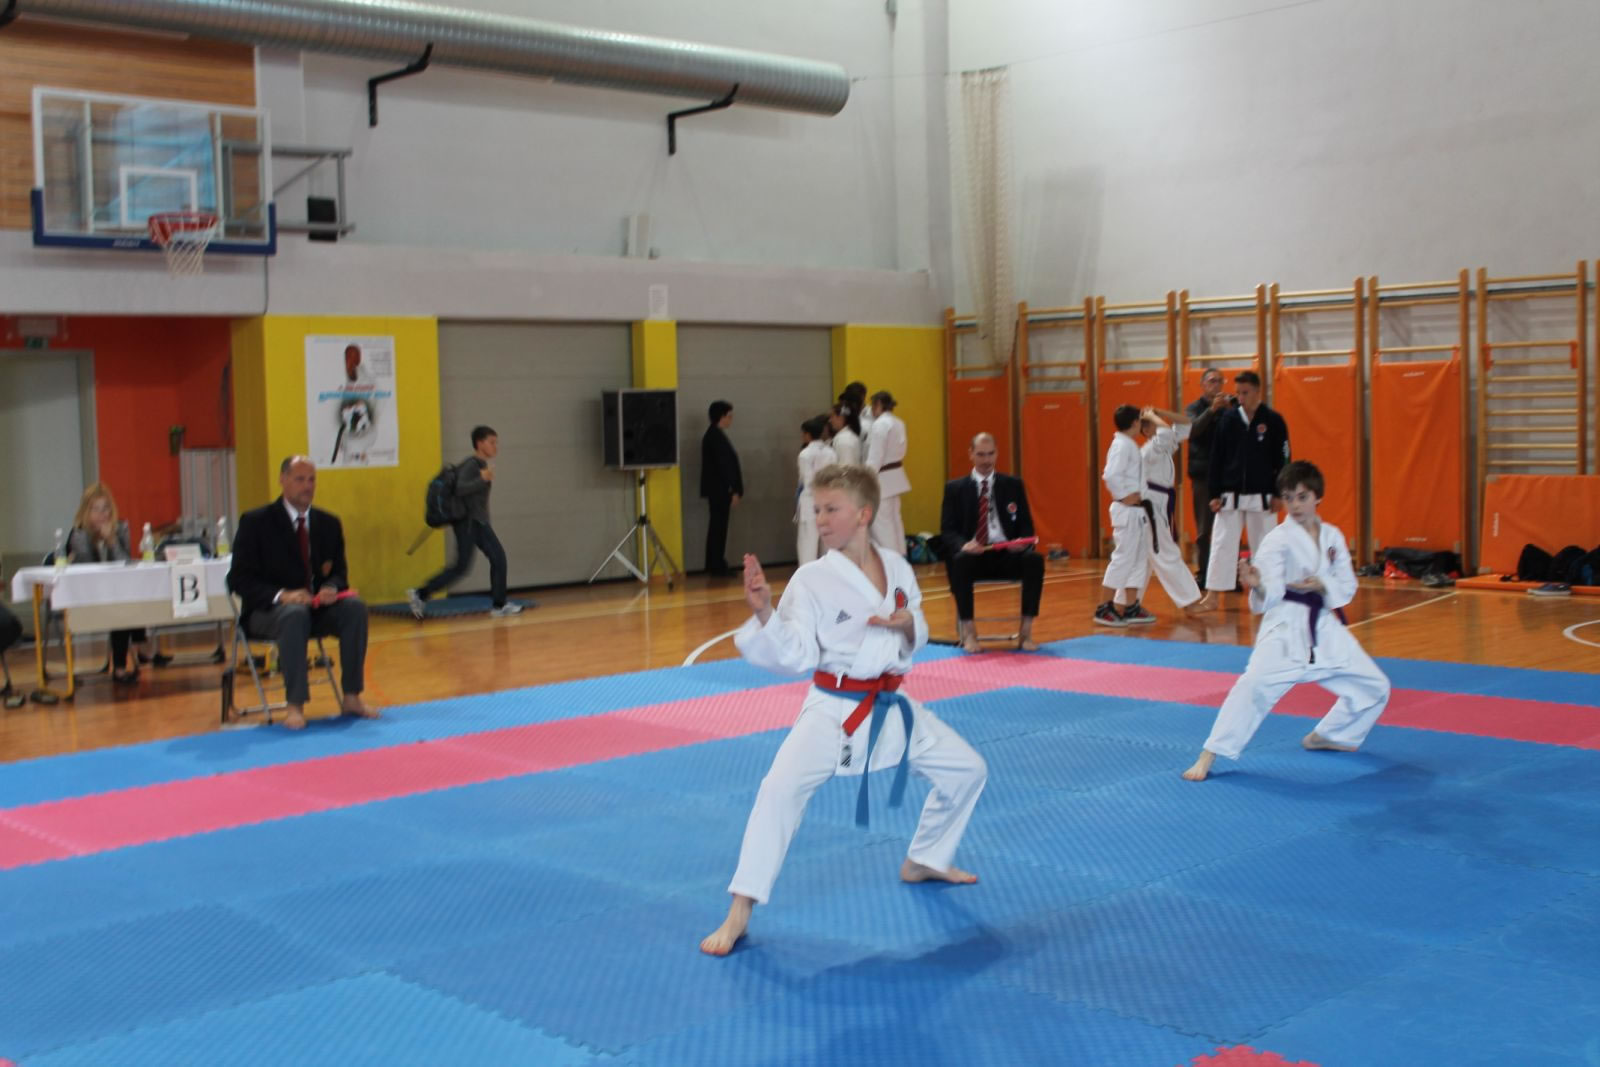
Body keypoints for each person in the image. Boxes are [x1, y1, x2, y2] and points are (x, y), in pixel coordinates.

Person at [699, 464, 988, 956]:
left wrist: (906, 625)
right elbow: (795, 652)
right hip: (833, 708)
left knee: (967, 770)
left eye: (831, 509)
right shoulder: (811, 579)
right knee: (778, 791)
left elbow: (916, 622)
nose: (820, 519)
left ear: (863, 514)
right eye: (816, 510)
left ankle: (925, 858)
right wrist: (764, 610)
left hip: (890, 705)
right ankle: (739, 909)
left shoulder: (898, 566)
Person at [1183, 461, 1390, 781]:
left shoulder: (1332, 536)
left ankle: (1331, 735)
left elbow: (1347, 586)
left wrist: (1322, 584)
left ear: (1318, 497)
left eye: (1302, 497)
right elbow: (1269, 590)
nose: (1295, 505)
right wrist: (1258, 583)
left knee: (1375, 687)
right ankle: (1209, 754)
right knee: (1253, 686)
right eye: (1289, 498)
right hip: (1285, 626)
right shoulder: (1277, 539)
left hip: (1323, 626)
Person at [228, 456, 378, 730]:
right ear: (282, 480)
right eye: (299, 479)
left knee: (355, 608)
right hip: (267, 612)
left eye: (311, 480)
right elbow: (238, 579)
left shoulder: (329, 523)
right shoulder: (255, 522)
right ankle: (295, 705)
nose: (307, 486)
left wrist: (331, 588)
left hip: (315, 608)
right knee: (294, 614)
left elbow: (339, 573)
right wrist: (281, 595)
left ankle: (352, 696)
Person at [939, 432, 1045, 653]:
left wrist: (1021, 542)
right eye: (981, 454)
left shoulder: (1013, 485)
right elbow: (947, 531)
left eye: (990, 454)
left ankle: (1026, 633)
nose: (986, 460)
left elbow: (1027, 526)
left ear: (997, 453)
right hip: (974, 555)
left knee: (1034, 560)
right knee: (960, 561)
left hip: (1007, 554)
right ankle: (969, 633)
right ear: (970, 454)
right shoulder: (955, 489)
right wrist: (964, 545)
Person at [408, 425, 521, 618]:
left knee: (470, 565)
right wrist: (482, 479)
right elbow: (460, 488)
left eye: (496, 442)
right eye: (492, 442)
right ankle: (499, 605)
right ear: (480, 443)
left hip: (475, 522)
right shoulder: (472, 465)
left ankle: (421, 593)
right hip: (471, 522)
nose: (496, 446)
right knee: (491, 560)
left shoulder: (480, 465)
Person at [1205, 370, 1290, 593]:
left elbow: (1283, 459)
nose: (1241, 398)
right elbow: (1216, 458)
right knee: (1222, 544)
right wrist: (1214, 494)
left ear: (1258, 391)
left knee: (1266, 546)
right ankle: (1213, 593)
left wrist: (1279, 493)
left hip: (1263, 495)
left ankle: (1268, 591)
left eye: (1245, 392)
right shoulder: (1228, 419)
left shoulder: (1273, 420)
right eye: (1238, 393)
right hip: (1230, 494)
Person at [66, 483, 146, 683]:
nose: (102, 515)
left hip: (115, 593)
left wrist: (111, 541)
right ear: (86, 511)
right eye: (95, 509)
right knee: (120, 605)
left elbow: (125, 563)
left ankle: (121, 667)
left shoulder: (121, 528)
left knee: (125, 602)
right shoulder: (79, 534)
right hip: (86, 594)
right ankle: (134, 649)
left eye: (105, 508)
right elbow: (88, 570)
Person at [1137, 408, 1214, 616]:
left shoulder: (1163, 444)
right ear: (1146, 430)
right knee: (1166, 553)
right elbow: (1165, 432)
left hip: (1158, 503)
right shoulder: (1150, 448)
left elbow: (1186, 423)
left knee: (1143, 558)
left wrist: (1159, 411)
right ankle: (1189, 601)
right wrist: (1151, 416)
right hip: (1151, 505)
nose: (1159, 422)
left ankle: (1127, 603)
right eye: (1153, 423)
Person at [1095, 404, 1156, 626]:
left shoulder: (1128, 444)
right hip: (1126, 510)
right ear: (1135, 423)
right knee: (1123, 558)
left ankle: (1131, 606)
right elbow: (1110, 475)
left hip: (1137, 510)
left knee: (1139, 559)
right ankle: (1104, 607)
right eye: (1140, 420)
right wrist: (1123, 496)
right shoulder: (1121, 445)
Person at [1185, 368, 1229, 583]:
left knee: (1230, 527)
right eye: (1212, 381)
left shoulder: (1229, 407)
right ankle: (1204, 573)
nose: (1216, 384)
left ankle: (1229, 574)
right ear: (1202, 384)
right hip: (1202, 475)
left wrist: (1229, 411)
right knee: (1204, 529)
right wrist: (1212, 410)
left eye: (1220, 381)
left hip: (1227, 476)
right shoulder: (1193, 408)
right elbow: (1191, 430)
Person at [700, 400, 743, 578]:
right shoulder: (715, 437)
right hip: (720, 490)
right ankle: (716, 565)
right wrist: (733, 489)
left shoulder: (714, 435)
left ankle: (715, 562)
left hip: (717, 490)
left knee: (717, 527)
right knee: (719, 528)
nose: (731, 419)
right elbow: (724, 466)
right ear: (721, 416)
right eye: (729, 416)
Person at [864, 390, 909, 555]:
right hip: (895, 477)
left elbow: (876, 456)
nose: (871, 410)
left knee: (882, 524)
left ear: (878, 405)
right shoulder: (898, 422)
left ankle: (891, 560)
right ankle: (900, 556)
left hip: (882, 479)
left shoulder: (880, 424)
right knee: (895, 520)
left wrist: (865, 479)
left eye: (872, 406)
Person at [794, 416, 838, 565]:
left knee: (807, 544)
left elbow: (807, 481)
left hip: (810, 501)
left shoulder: (805, 454)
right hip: (828, 500)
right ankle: (828, 574)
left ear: (807, 434)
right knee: (827, 543)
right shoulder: (831, 452)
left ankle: (807, 575)